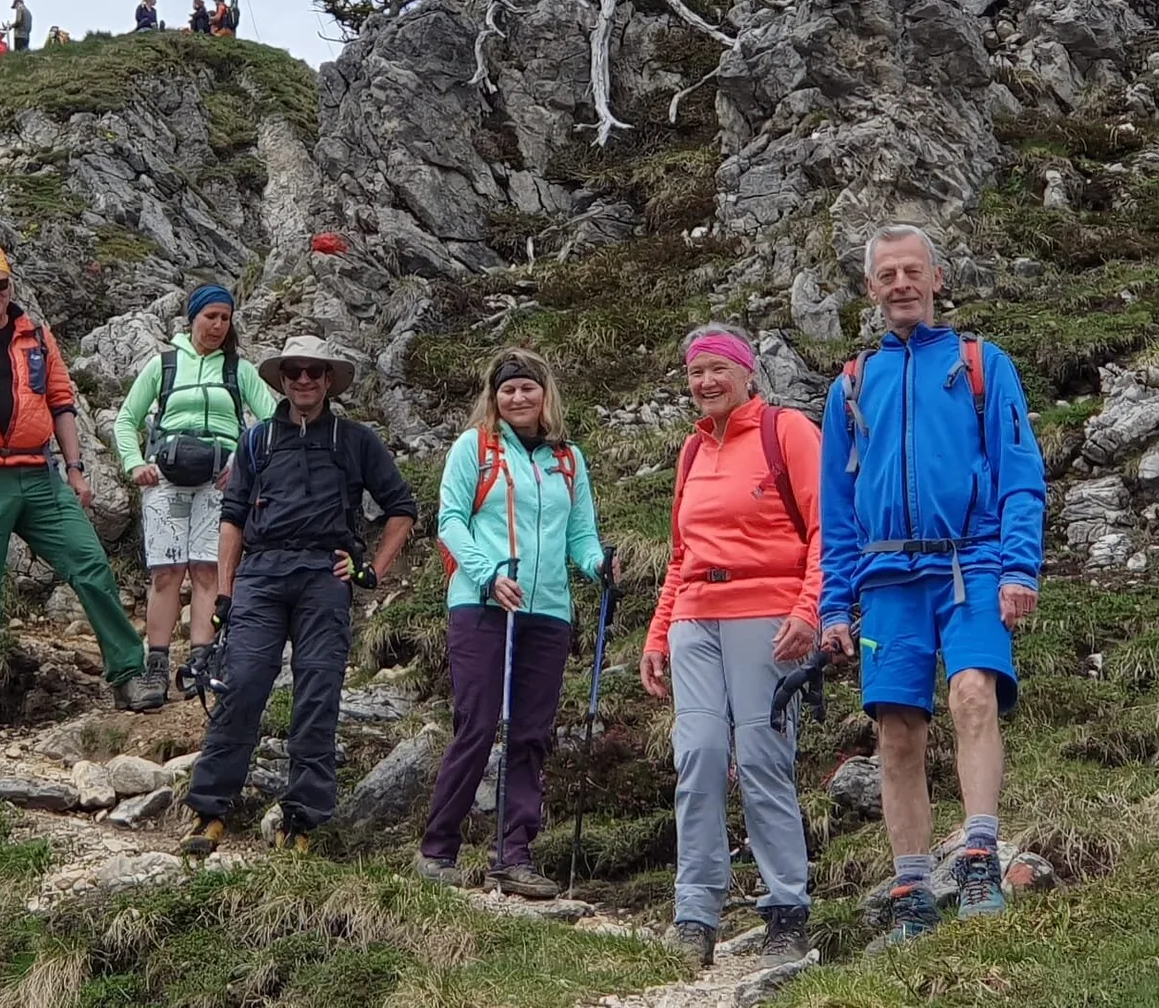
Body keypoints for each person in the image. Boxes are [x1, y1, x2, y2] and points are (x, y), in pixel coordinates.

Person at [818, 224, 1045, 948]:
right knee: (895, 732)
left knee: (973, 691)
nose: (901, 284)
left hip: (971, 561)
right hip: (885, 576)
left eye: (912, 271)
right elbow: (835, 509)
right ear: (871, 288)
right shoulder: (851, 384)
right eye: (887, 275)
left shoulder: (981, 363)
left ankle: (979, 855)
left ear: (938, 278)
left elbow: (1020, 474)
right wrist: (833, 604)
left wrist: (1018, 566)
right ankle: (912, 884)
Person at [0, 244, 163, 744]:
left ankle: (129, 676)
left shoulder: (37, 337)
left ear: (11, 287)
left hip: (41, 475)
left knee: (90, 565)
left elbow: (61, 401)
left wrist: (75, 469)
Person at [179, 336, 418, 855]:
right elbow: (232, 519)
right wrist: (225, 593)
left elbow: (402, 508)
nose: (304, 380)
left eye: (314, 371)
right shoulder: (257, 440)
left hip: (324, 575)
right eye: (294, 372)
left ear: (329, 379)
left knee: (317, 692)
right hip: (261, 575)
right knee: (240, 685)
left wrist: (369, 572)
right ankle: (209, 811)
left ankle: (303, 820)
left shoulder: (355, 440)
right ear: (281, 380)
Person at [639, 324, 822, 970]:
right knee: (699, 756)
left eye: (719, 369)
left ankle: (785, 912)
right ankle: (695, 916)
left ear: (748, 374)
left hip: (768, 616)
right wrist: (659, 631)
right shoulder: (691, 453)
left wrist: (809, 609)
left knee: (764, 760)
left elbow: (829, 526)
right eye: (696, 373)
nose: (707, 382)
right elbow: (681, 553)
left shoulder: (786, 431)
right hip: (695, 619)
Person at [415, 348, 617, 900]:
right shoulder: (473, 448)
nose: (519, 397)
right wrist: (485, 575)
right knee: (478, 723)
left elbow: (580, 535)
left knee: (530, 733)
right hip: (482, 604)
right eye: (508, 390)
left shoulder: (568, 459)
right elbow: (449, 520)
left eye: (528, 387)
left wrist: (601, 565)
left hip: (547, 610)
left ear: (545, 394)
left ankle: (514, 854)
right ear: (494, 397)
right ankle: (440, 849)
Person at [112, 285, 277, 702]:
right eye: (211, 317)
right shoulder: (164, 364)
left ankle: (202, 663)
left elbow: (273, 421)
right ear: (193, 319)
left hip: (219, 479)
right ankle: (157, 668)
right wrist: (135, 464)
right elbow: (126, 419)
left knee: (207, 571)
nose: (218, 326)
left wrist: (244, 464)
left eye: (225, 318)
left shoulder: (239, 370)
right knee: (167, 573)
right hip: (165, 478)